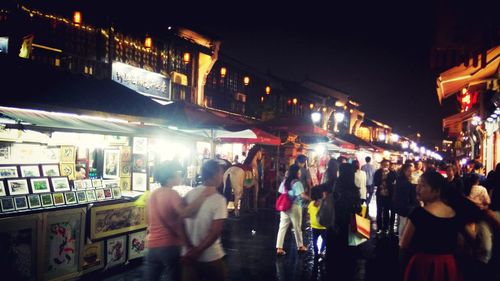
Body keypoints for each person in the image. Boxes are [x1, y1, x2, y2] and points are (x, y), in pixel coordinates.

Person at [144, 161, 215, 281]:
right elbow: (185, 213)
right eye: (178, 173)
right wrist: (203, 195)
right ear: (170, 177)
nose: (180, 176)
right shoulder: (172, 194)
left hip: (152, 246)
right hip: (170, 245)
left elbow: (147, 219)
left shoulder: (152, 194)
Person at [400, 170, 464, 281]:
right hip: (448, 265)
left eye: (423, 185)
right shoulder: (454, 213)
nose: (417, 189)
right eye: (418, 184)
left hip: (423, 265)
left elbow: (404, 244)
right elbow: (460, 243)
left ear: (437, 191)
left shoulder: (418, 213)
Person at [181, 160, 229, 281]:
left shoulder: (189, 194)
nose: (222, 177)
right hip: (211, 256)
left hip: (188, 255)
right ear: (215, 175)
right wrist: (198, 251)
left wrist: (189, 248)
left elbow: (180, 223)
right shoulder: (219, 200)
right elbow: (215, 232)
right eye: (221, 173)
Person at [326, 163, 361, 279]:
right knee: (349, 254)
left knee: (334, 253)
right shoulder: (355, 189)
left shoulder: (335, 185)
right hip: (350, 225)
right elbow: (358, 209)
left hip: (335, 224)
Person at [276, 164, 311, 256]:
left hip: (284, 206)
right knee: (297, 227)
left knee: (282, 227)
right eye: (298, 172)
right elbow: (302, 195)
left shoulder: (284, 181)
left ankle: (279, 248)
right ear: (295, 172)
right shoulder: (297, 182)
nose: (299, 173)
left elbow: (280, 191)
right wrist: (311, 199)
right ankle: (300, 246)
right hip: (295, 206)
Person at [392, 163, 418, 240]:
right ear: (404, 171)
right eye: (408, 171)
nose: (410, 173)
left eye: (411, 171)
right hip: (404, 205)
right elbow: (407, 193)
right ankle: (401, 241)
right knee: (403, 224)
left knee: (404, 223)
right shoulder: (402, 181)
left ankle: (402, 240)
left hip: (405, 205)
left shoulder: (405, 180)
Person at [374, 159, 398, 235]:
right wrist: (382, 178)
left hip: (388, 195)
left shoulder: (392, 172)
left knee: (386, 211)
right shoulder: (378, 172)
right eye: (384, 165)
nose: (385, 166)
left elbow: (395, 181)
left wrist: (388, 176)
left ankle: (385, 227)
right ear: (381, 165)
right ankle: (379, 227)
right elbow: (375, 182)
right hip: (380, 195)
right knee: (379, 211)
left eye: (387, 165)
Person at [307, 187, 327, 258]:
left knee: (314, 240)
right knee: (325, 240)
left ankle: (316, 252)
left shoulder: (311, 204)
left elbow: (309, 212)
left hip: (314, 226)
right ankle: (321, 251)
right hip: (323, 226)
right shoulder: (324, 204)